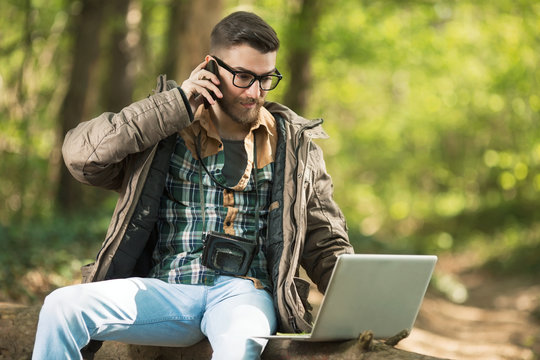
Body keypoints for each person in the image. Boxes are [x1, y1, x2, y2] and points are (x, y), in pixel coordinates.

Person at [32, 11, 353, 360]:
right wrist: (177, 104)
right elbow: (80, 155)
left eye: (266, 78)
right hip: (167, 290)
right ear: (211, 69)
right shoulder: (165, 129)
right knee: (61, 307)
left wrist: (360, 303)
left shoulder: (295, 146)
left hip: (245, 294)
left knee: (240, 345)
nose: (256, 91)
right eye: (244, 77)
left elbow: (325, 242)